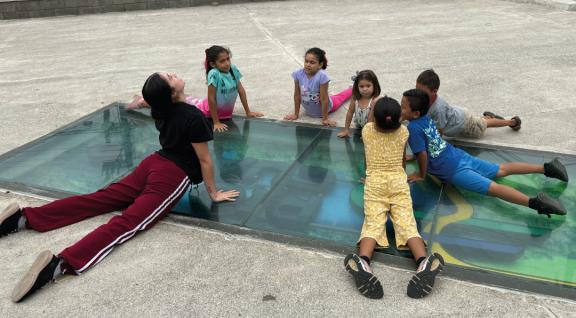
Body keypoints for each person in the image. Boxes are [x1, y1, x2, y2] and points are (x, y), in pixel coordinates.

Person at [0, 72, 240, 303]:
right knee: (129, 223)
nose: (173, 73)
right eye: (169, 77)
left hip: (153, 163)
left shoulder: (160, 107)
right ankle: (60, 265)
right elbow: (205, 159)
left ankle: (22, 218)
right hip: (173, 175)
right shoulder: (192, 116)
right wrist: (214, 193)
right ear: (172, 92)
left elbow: (148, 99)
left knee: (100, 199)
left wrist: (138, 101)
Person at [402, 88, 568, 218]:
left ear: (415, 113)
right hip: (457, 155)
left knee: (493, 188)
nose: (400, 109)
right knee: (501, 169)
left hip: (453, 170)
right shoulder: (426, 118)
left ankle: (535, 203)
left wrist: (421, 174)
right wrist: (415, 154)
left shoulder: (413, 127)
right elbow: (430, 141)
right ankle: (547, 168)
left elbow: (423, 154)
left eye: (403, 107)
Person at [344, 97, 444, 300]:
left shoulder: (367, 131)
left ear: (375, 118)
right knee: (407, 223)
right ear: (398, 118)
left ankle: (363, 261)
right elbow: (401, 161)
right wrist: (402, 177)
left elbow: (367, 157)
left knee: (372, 223)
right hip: (398, 182)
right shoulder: (404, 132)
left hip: (375, 183)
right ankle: (423, 261)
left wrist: (369, 175)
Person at [128, 46, 264, 132]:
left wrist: (248, 112)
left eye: (228, 59)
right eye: (222, 61)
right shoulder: (214, 74)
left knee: (184, 99)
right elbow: (211, 98)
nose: (227, 63)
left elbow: (240, 89)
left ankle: (143, 100)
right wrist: (216, 122)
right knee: (174, 101)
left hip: (213, 108)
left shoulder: (233, 70)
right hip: (204, 110)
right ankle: (142, 101)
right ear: (213, 64)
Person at [416, 69, 521, 138]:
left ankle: (512, 122)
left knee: (484, 124)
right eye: (417, 89)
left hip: (465, 123)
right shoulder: (425, 99)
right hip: (458, 115)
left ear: (434, 91)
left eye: (423, 92)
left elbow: (438, 133)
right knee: (480, 120)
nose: (418, 94)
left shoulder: (438, 108)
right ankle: (489, 117)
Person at [284, 47, 352, 126]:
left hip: (328, 107)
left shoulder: (322, 76)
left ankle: (353, 88)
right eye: (306, 61)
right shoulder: (298, 74)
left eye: (312, 62)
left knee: (341, 97)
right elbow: (297, 95)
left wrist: (325, 119)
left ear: (320, 65)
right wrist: (296, 114)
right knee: (336, 96)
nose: (308, 64)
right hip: (310, 110)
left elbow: (324, 98)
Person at [338, 70, 381, 138]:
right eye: (361, 86)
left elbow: (371, 120)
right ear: (357, 87)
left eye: (368, 86)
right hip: (359, 125)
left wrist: (367, 134)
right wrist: (346, 129)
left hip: (373, 127)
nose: (365, 89)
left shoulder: (374, 100)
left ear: (375, 86)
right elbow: (350, 112)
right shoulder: (355, 98)